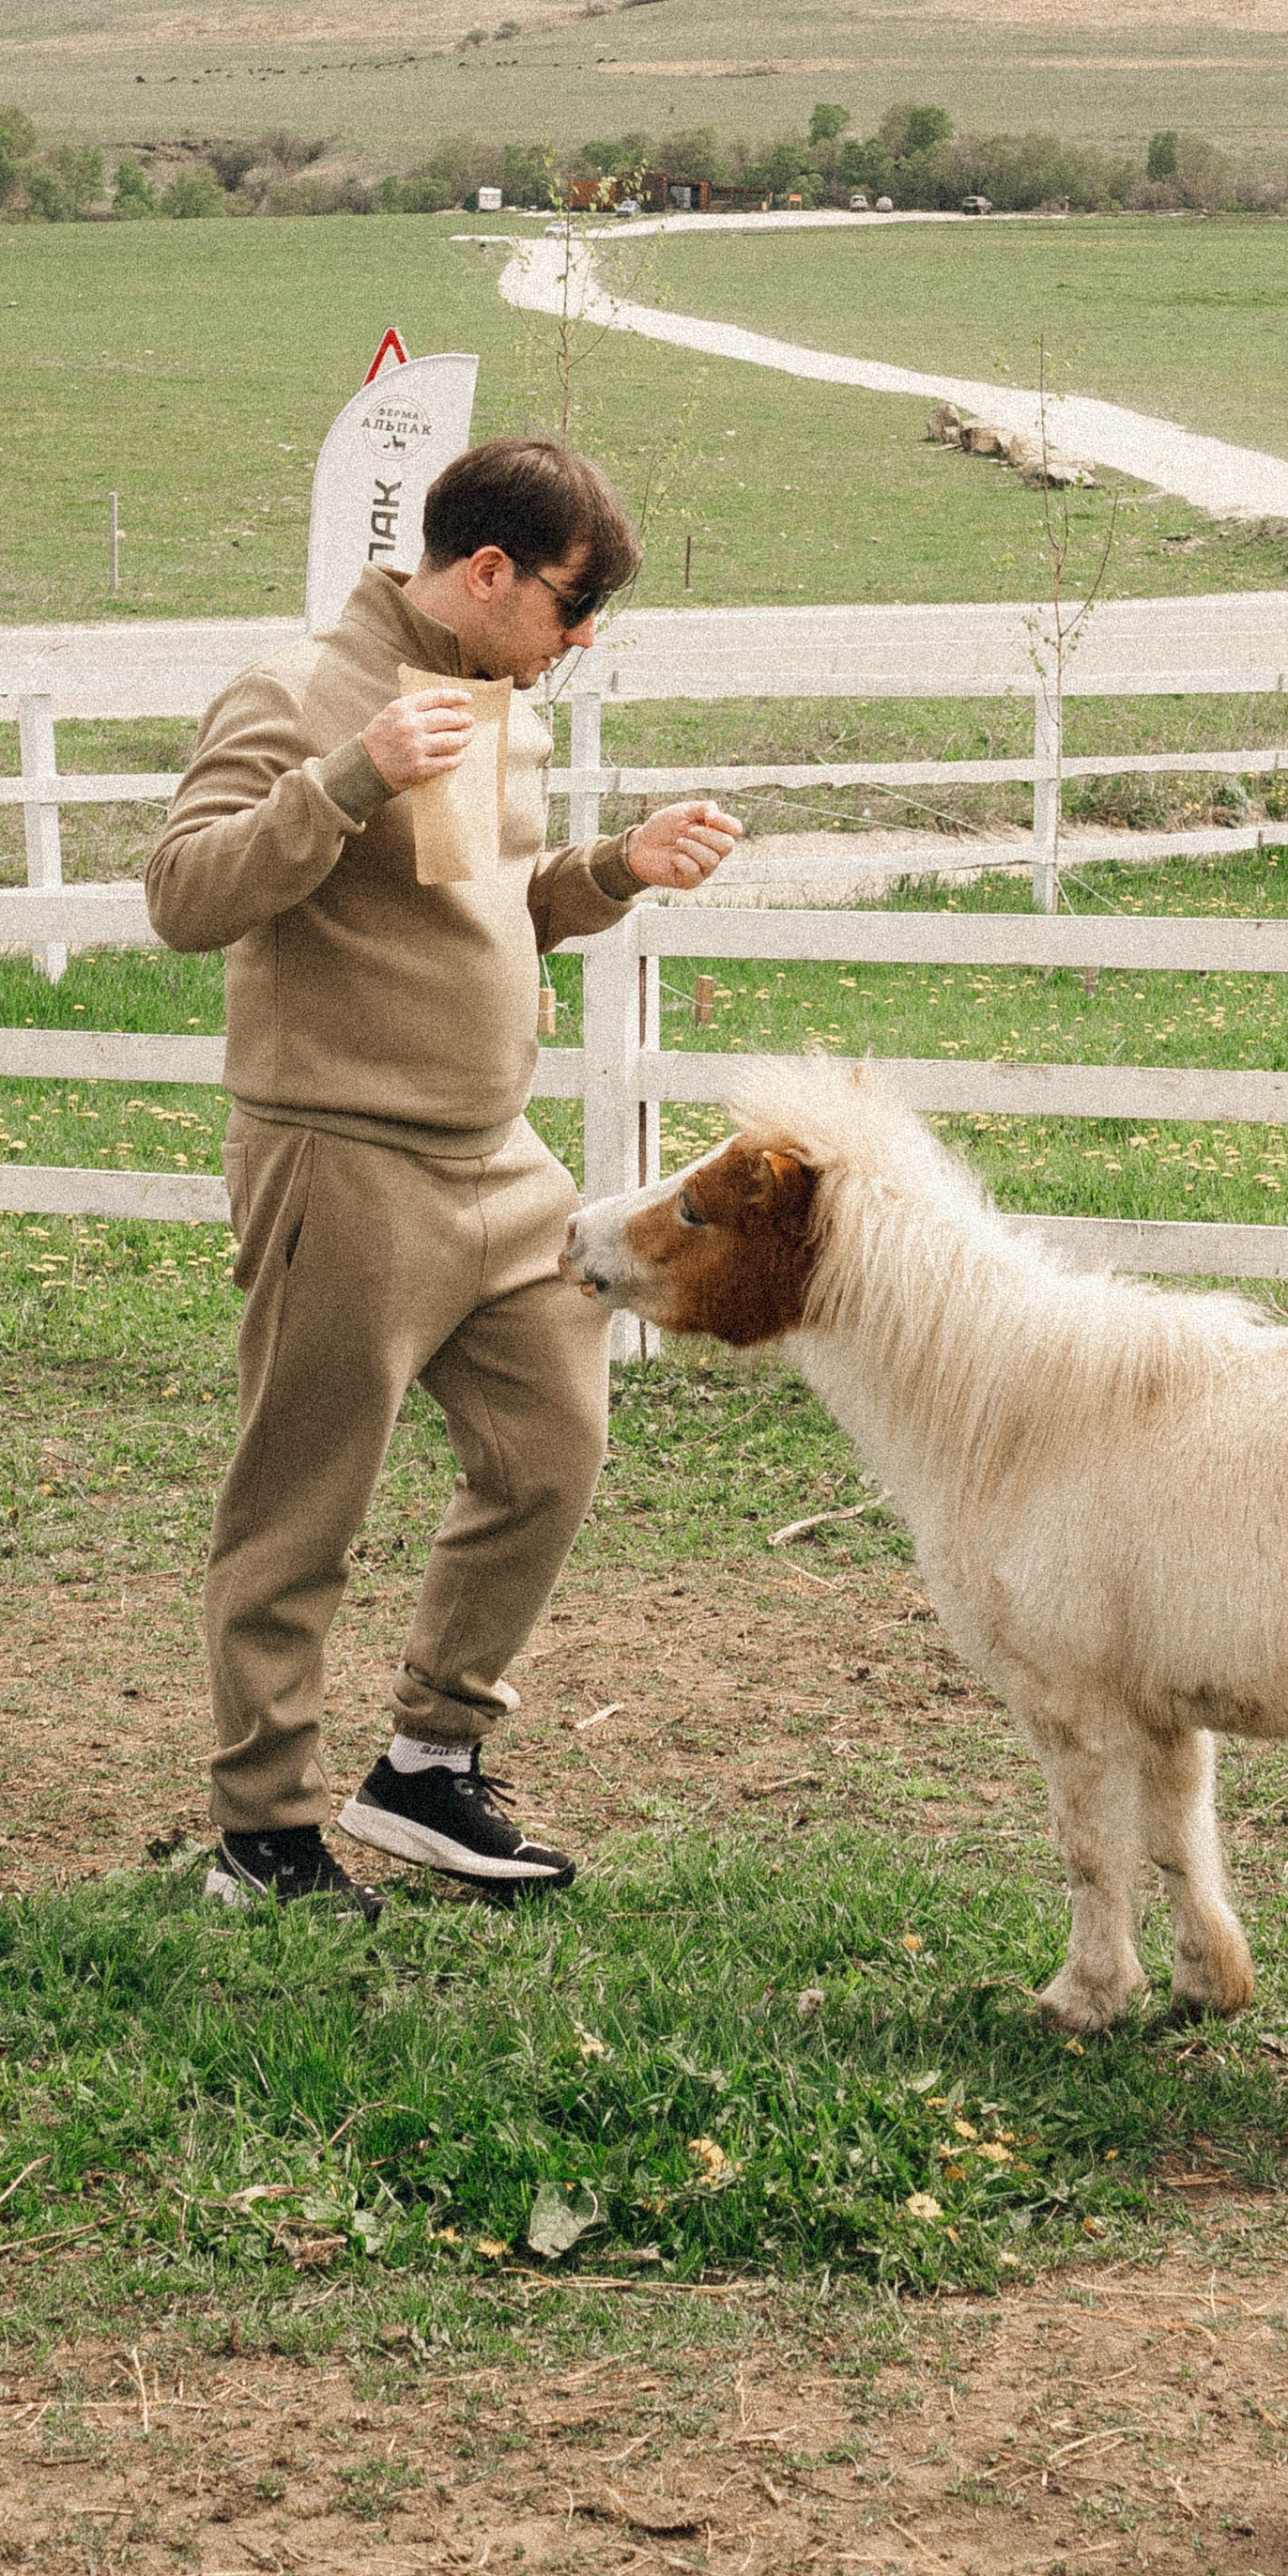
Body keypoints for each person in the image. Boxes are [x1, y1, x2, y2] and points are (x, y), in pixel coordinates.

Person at [145, 436, 740, 1917]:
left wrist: (617, 867)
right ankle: (263, 1837)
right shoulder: (297, 694)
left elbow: (490, 910)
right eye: (573, 606)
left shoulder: (491, 702)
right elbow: (183, 896)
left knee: (554, 1451)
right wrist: (347, 776)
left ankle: (426, 1765)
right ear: (488, 572)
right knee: (301, 1511)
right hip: (344, 1164)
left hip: (501, 1165)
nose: (580, 641)